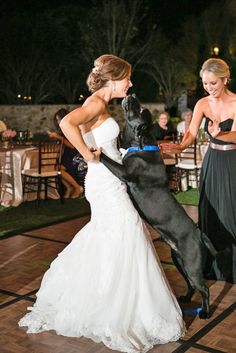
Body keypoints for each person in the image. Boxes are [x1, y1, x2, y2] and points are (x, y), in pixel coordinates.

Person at [18, 54, 185, 352]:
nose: (131, 83)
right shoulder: (95, 103)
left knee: (113, 235)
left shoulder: (101, 104)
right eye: (128, 78)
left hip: (110, 179)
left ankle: (112, 298)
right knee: (128, 231)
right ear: (113, 78)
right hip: (103, 182)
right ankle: (120, 308)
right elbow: (67, 123)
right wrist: (85, 153)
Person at [161, 58, 236, 283]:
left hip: (232, 161)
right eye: (205, 83)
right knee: (211, 211)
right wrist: (180, 146)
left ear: (225, 79)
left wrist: (219, 134)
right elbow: (192, 133)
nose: (209, 88)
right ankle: (214, 267)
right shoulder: (203, 104)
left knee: (232, 211)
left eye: (213, 83)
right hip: (212, 160)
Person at [47, 108, 84, 198]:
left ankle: (78, 188)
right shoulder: (64, 129)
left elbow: (72, 146)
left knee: (58, 169)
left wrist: (59, 138)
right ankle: (69, 188)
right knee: (56, 168)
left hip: (75, 156)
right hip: (67, 155)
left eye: (59, 119)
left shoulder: (72, 128)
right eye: (57, 120)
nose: (58, 122)